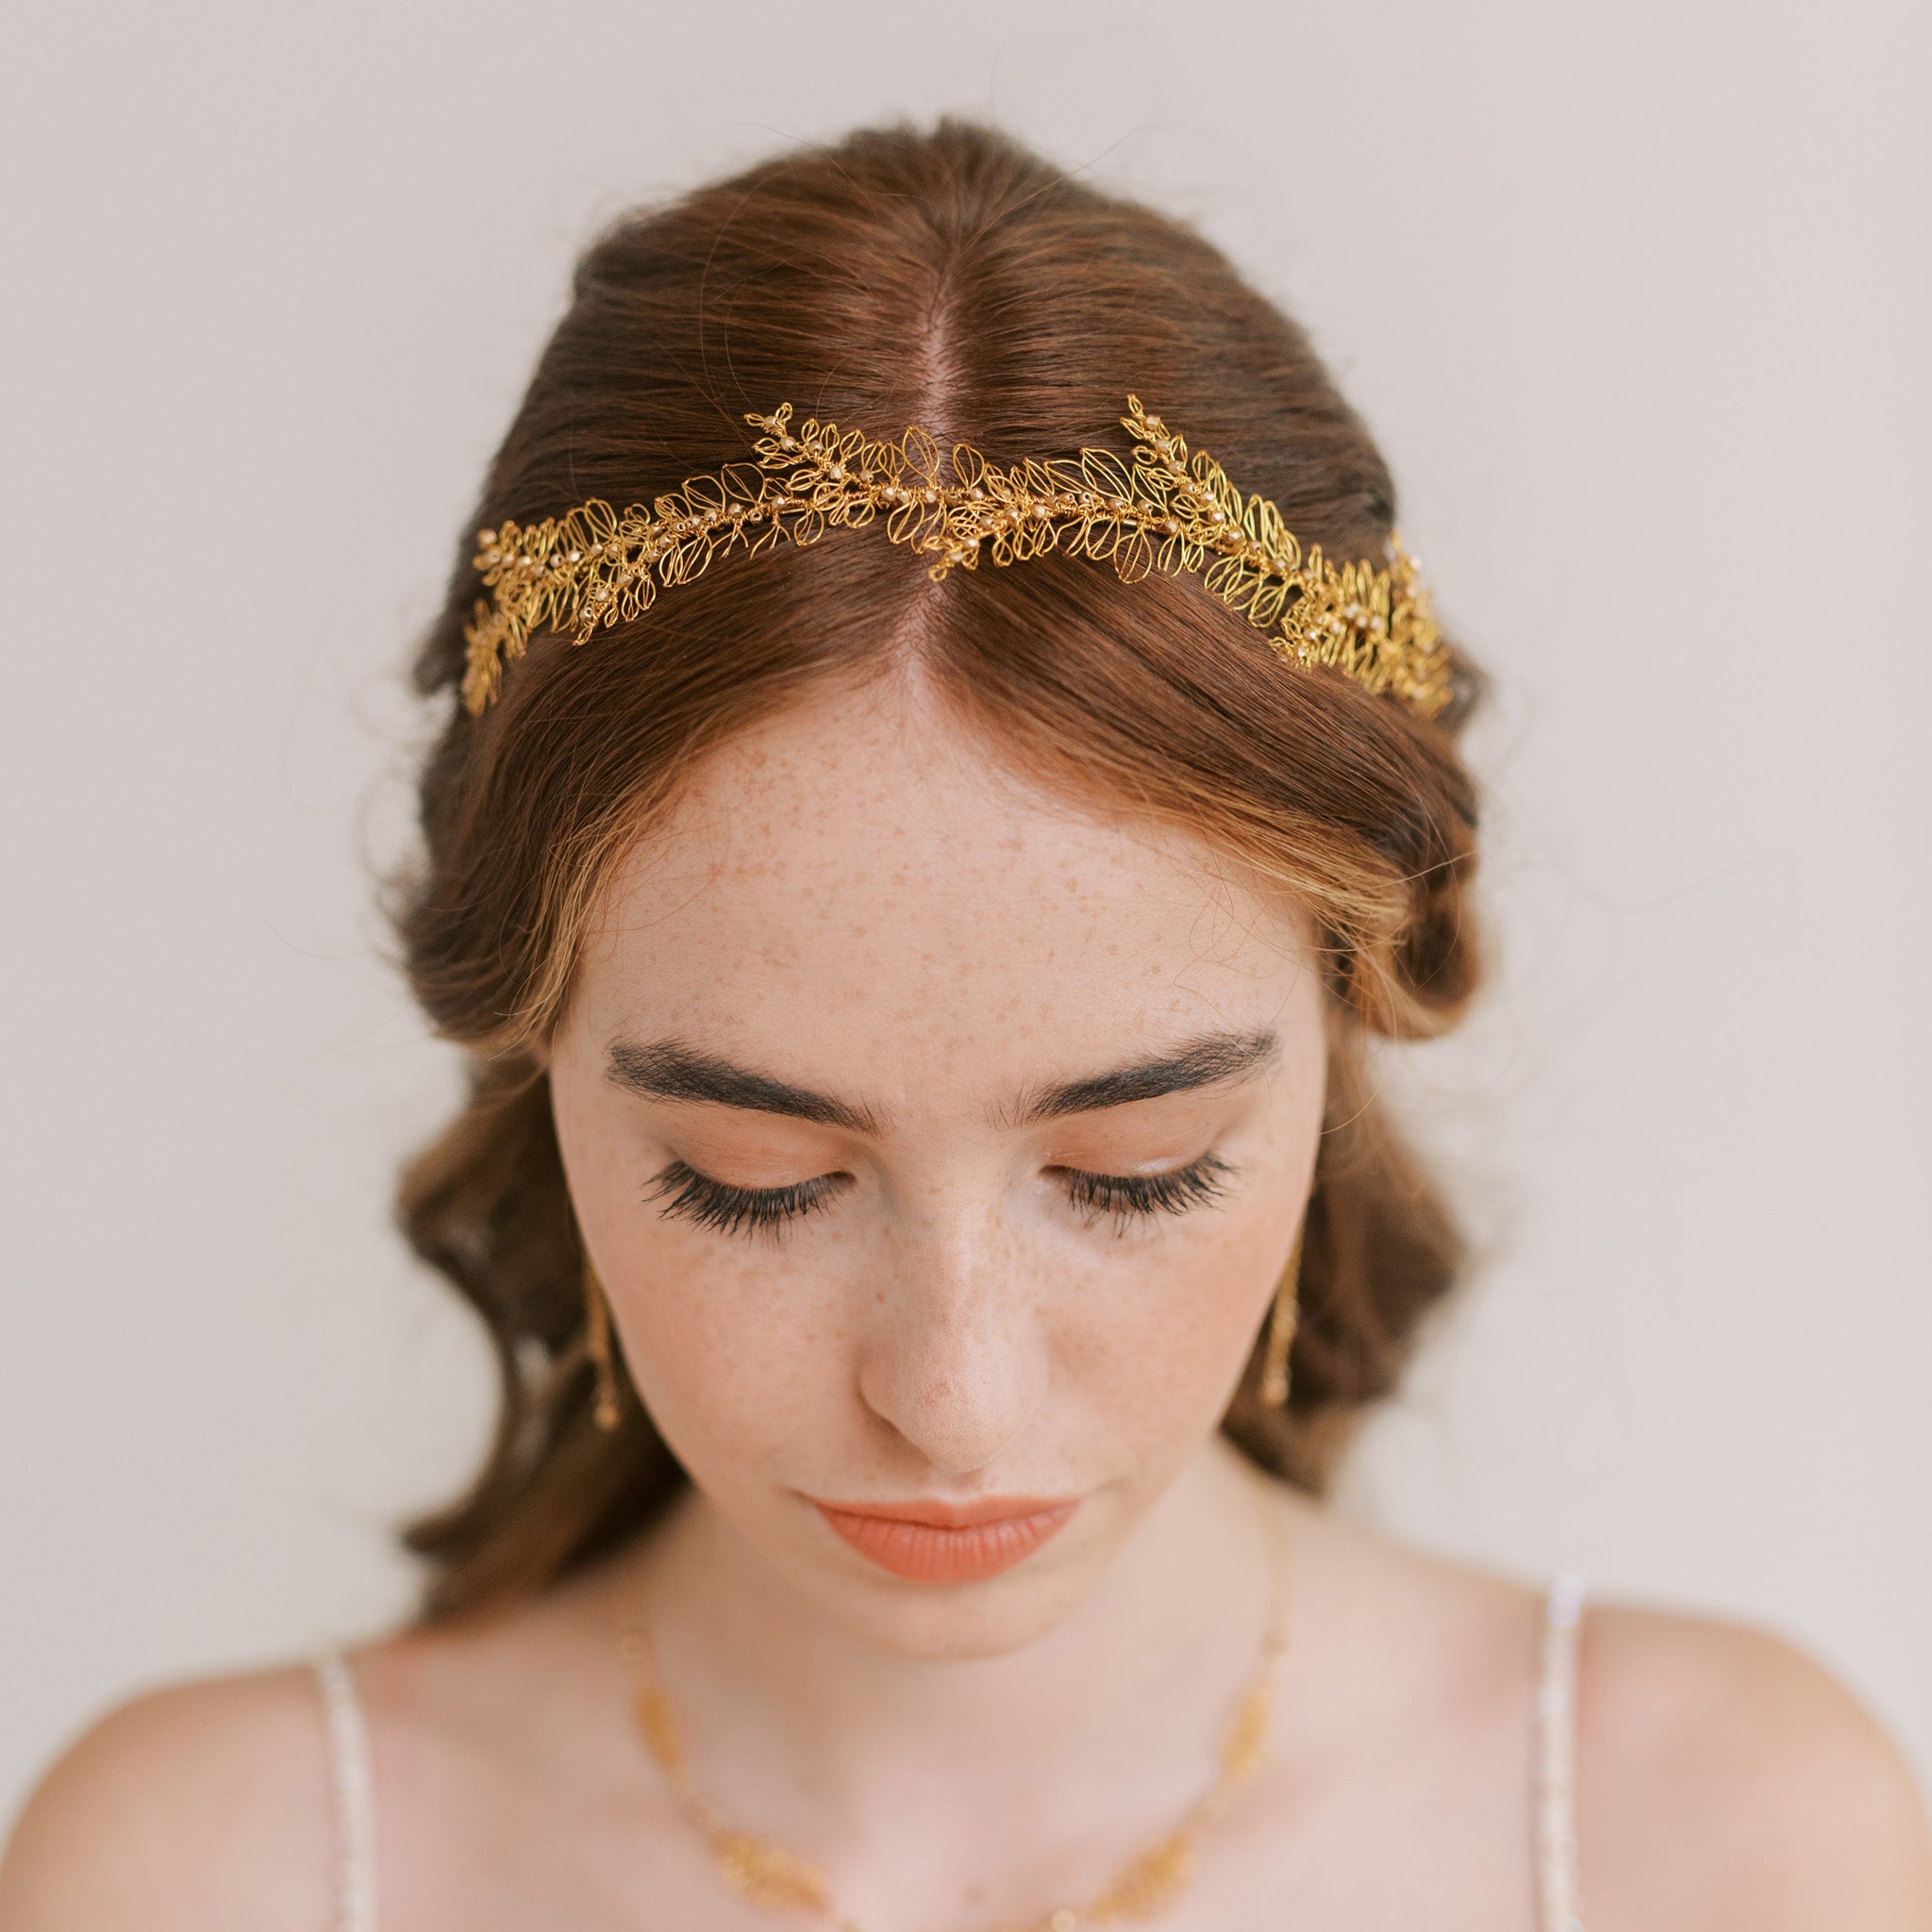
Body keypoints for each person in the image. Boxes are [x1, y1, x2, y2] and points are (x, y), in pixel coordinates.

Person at [2, 121, 1926, 1932]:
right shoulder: (211, 1872)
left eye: (1137, 1172)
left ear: (1349, 1020)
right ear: (535, 1057)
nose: (953, 1399)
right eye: (753, 1179)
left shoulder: (1717, 1846)